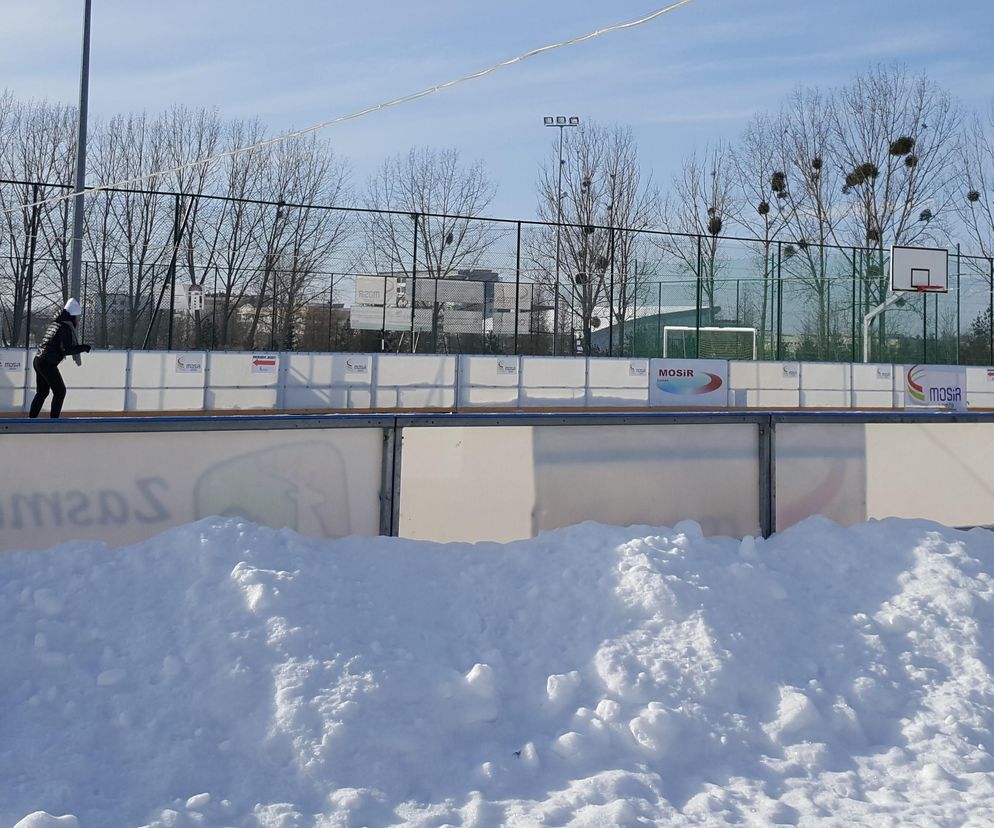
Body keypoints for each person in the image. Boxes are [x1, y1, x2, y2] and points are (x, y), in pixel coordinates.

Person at [28, 298, 92, 419]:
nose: (78, 321)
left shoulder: (56, 323)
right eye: (77, 318)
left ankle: (31, 420)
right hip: (47, 362)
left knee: (42, 392)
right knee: (60, 392)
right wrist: (83, 347)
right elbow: (66, 349)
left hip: (39, 360)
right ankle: (54, 421)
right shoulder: (65, 327)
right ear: (72, 317)